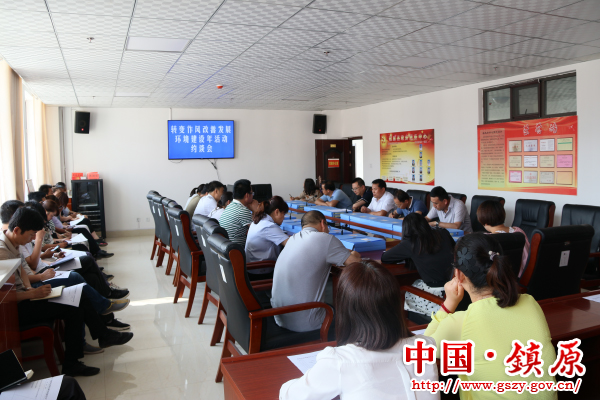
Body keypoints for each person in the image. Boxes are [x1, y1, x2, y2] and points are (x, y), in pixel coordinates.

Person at [0, 207, 133, 377]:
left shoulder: (14, 242)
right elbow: (3, 297)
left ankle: (84, 352)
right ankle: (99, 337)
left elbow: (22, 271)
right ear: (17, 230)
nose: (32, 239)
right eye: (31, 234)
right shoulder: (2, 251)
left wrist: (29, 289)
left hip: (26, 297)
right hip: (14, 311)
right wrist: (31, 294)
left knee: (77, 296)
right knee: (75, 302)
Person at [280, 260, 438, 400]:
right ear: (396, 304)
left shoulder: (340, 362)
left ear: (345, 310)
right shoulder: (425, 346)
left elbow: (289, 395)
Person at [425, 234, 556, 399]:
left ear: (458, 274)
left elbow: (424, 348)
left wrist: (449, 303)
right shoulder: (530, 303)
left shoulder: (461, 323)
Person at [271, 211, 361, 332]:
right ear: (323, 223)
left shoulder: (292, 239)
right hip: (306, 322)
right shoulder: (326, 239)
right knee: (349, 316)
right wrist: (355, 253)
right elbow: (355, 263)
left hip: (279, 316)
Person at [381, 213, 455, 324]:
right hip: (454, 288)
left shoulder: (410, 243)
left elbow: (385, 258)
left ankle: (404, 325)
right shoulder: (443, 233)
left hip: (436, 297)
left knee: (402, 292)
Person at [477, 200, 530, 277]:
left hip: (497, 279)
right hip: (522, 276)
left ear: (484, 221)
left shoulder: (487, 239)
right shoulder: (519, 231)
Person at [245, 196, 290, 280]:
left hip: (252, 269)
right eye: (283, 214)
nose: (284, 217)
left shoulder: (259, 221)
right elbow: (290, 244)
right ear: (277, 212)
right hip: (261, 272)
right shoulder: (269, 226)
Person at [219, 179, 259, 246]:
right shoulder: (242, 210)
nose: (253, 196)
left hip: (227, 247)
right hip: (238, 250)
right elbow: (259, 231)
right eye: (252, 193)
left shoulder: (230, 206)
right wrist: (256, 211)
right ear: (247, 195)